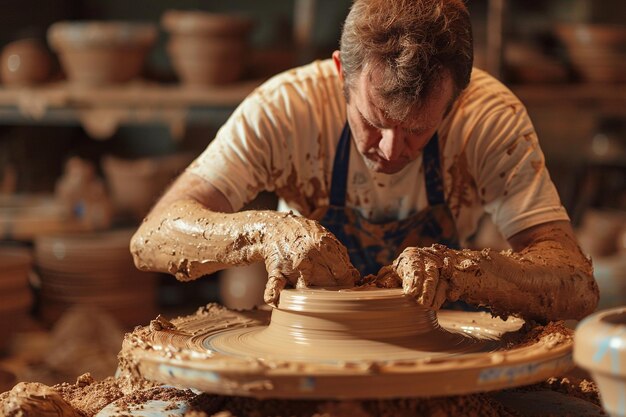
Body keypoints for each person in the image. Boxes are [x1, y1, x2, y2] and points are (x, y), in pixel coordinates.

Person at [130, 0, 598, 323]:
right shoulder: (284, 109)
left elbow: (575, 283)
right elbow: (152, 237)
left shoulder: (489, 117)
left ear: (458, 95)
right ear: (341, 73)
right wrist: (266, 233)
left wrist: (458, 273)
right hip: (314, 343)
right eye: (374, 121)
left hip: (440, 340)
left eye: (418, 129)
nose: (392, 151)